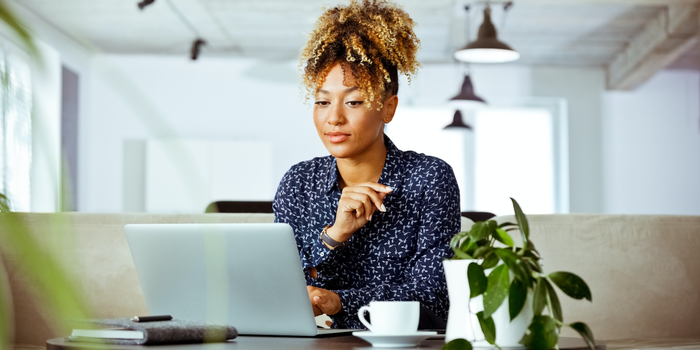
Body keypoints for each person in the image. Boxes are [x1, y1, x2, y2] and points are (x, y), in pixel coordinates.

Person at [273, 0, 461, 329]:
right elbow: (279, 292)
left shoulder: (429, 179)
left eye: (354, 101)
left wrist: (341, 302)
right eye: (321, 101)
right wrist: (334, 235)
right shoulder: (299, 183)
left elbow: (435, 301)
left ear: (388, 108)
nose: (334, 117)